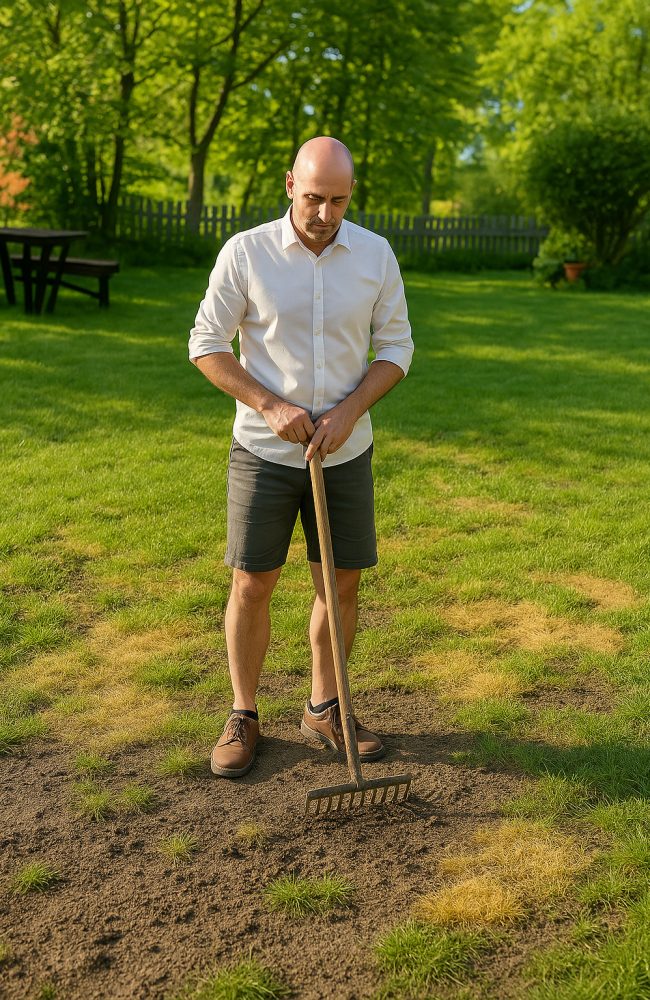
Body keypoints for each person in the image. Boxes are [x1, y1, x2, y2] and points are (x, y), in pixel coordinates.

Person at [188, 136, 413, 779]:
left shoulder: (374, 255)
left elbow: (396, 348)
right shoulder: (247, 252)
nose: (325, 213)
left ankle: (324, 707)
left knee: (339, 583)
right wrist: (268, 405)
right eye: (314, 198)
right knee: (252, 582)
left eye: (339, 200)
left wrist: (348, 413)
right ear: (290, 184)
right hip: (263, 450)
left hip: (344, 451)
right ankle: (243, 714)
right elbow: (206, 345)